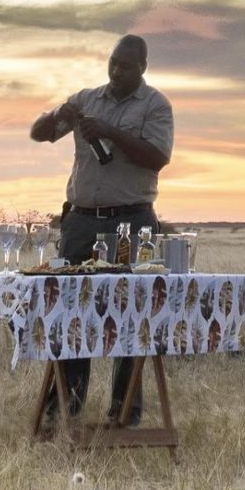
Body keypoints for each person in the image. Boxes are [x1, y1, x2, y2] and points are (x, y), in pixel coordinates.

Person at [30, 32, 173, 425]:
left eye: (125, 66)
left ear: (142, 68)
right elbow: (40, 134)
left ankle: (124, 412)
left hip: (131, 220)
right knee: (70, 310)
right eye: (112, 63)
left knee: (130, 312)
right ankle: (64, 408)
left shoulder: (156, 105)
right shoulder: (87, 98)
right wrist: (58, 114)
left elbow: (158, 158)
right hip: (80, 221)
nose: (116, 71)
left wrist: (110, 132)